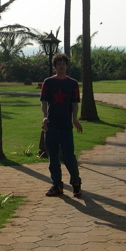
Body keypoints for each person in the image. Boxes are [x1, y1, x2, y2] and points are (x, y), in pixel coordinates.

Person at [40, 52, 83, 197]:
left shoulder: (73, 84)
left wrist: (75, 119)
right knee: (53, 158)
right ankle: (57, 185)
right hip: (51, 126)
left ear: (67, 66)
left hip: (66, 127)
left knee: (69, 156)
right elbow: (44, 102)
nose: (61, 67)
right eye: (59, 64)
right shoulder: (48, 82)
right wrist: (45, 117)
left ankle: (76, 183)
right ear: (54, 67)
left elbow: (74, 103)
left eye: (63, 64)